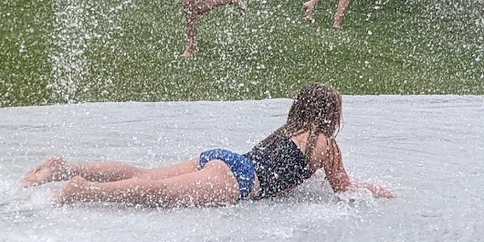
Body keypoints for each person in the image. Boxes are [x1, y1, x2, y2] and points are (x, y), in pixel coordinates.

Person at [24, 84, 391, 206]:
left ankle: (65, 168)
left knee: (146, 175)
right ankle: (83, 191)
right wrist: (374, 190)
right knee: (158, 194)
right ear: (331, 115)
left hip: (222, 159)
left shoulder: (287, 131)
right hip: (237, 180)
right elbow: (344, 189)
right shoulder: (326, 145)